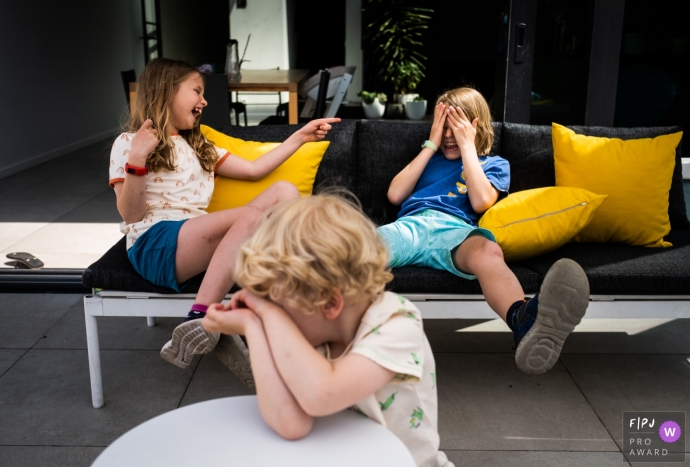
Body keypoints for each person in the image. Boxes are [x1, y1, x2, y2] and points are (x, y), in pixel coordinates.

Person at [108, 58, 340, 370]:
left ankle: (280, 277)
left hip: (193, 238)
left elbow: (255, 170)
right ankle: (202, 318)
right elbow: (132, 214)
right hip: (154, 243)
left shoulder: (199, 144)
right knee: (249, 218)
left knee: (284, 191)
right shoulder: (129, 143)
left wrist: (300, 136)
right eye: (196, 91)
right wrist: (138, 157)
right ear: (167, 91)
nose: (204, 100)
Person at [202, 193, 454, 467]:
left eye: (280, 309)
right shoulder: (313, 334)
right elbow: (289, 423)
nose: (277, 321)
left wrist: (269, 314)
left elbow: (321, 395)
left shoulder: (396, 321)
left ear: (330, 303)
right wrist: (253, 326)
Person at [379, 87, 590, 375]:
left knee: (488, 250)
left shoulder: (494, 165)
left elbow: (481, 202)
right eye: (444, 127)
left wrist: (468, 148)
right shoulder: (429, 158)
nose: (449, 136)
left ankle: (523, 320)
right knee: (362, 249)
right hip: (410, 226)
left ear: (476, 126)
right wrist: (430, 144)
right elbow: (395, 195)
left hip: (455, 232)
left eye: (456, 127)